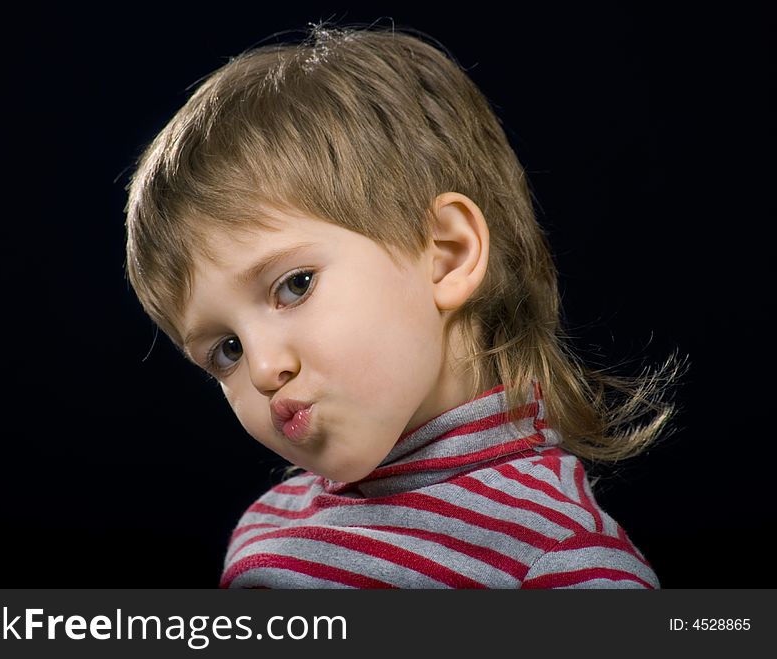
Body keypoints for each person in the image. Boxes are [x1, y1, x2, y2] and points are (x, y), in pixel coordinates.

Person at [123, 24, 683, 588]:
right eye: (227, 350)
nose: (265, 369)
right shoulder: (264, 529)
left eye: (294, 286)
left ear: (447, 255)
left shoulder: (559, 565)